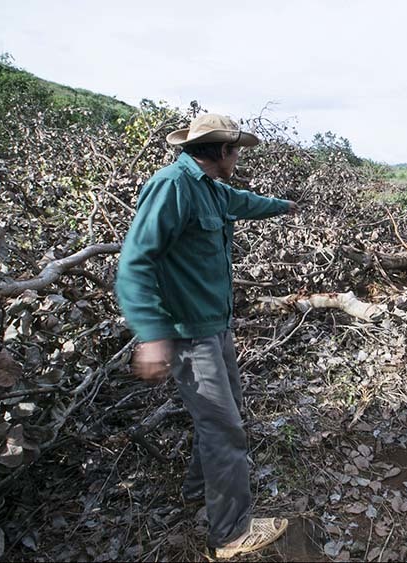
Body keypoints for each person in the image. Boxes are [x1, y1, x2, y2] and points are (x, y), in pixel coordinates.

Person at [115, 113, 298, 559]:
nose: (239, 159)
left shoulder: (210, 188)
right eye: (236, 151)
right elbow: (134, 263)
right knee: (224, 429)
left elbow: (244, 202)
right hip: (187, 335)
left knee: (225, 413)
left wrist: (285, 206)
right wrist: (152, 334)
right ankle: (231, 534)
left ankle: (198, 490)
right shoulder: (172, 186)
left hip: (214, 326)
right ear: (220, 151)